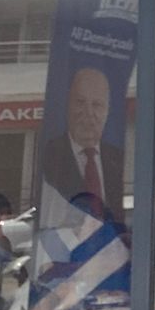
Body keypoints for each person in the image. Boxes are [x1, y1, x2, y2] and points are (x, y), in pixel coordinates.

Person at [37, 66, 126, 218]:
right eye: (80, 102)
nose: (88, 113)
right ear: (68, 105)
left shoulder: (116, 158)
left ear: (107, 111)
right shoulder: (50, 155)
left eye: (97, 105)